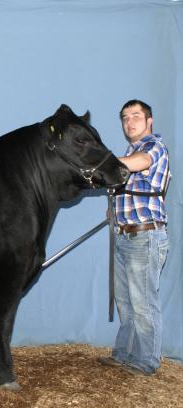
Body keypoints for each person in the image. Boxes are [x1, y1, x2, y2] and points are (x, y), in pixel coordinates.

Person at [97, 99, 169, 376]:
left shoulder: (154, 147)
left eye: (136, 116)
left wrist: (103, 164)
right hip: (125, 235)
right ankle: (124, 354)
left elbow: (142, 163)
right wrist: (114, 208)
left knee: (143, 303)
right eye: (125, 117)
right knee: (126, 302)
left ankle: (147, 360)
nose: (130, 122)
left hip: (145, 236)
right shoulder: (129, 151)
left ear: (149, 120)